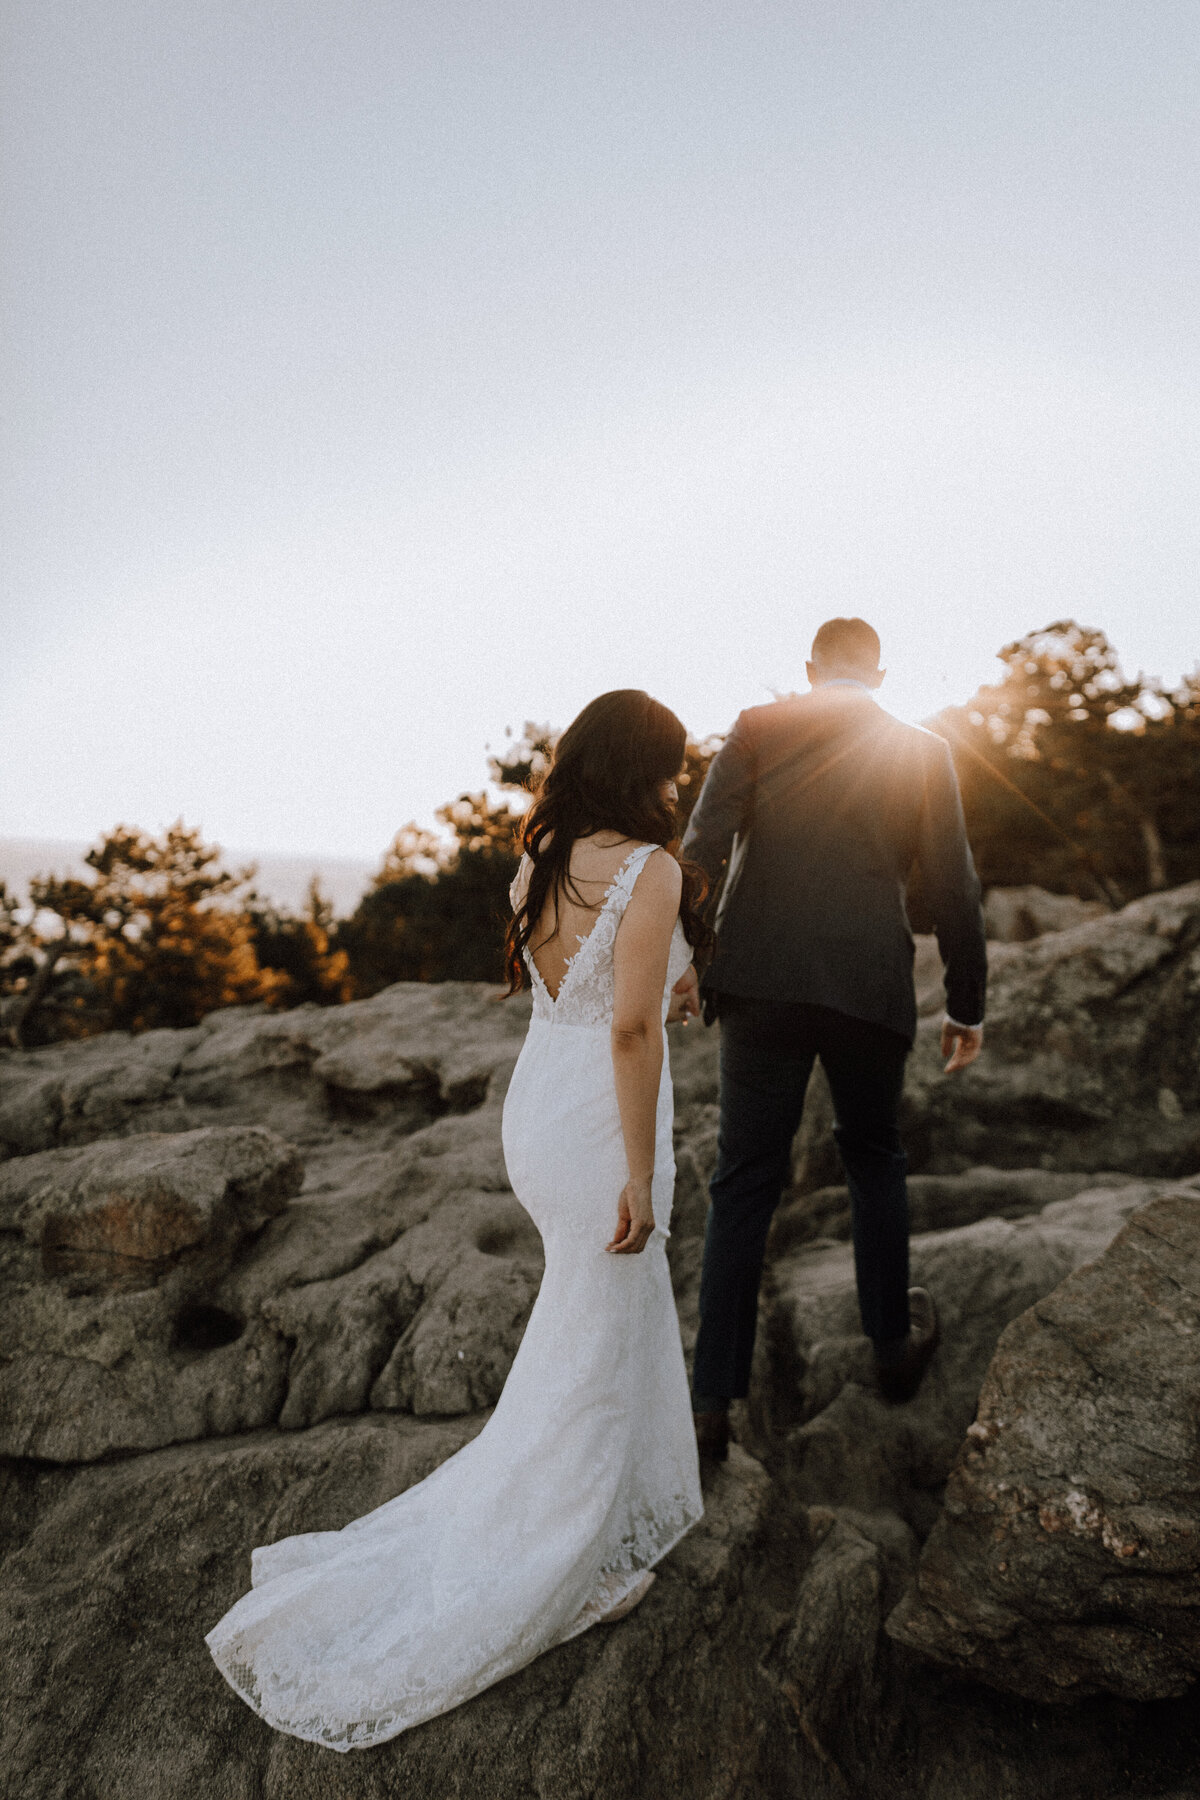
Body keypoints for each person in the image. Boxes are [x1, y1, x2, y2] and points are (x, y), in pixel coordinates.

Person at [205, 689, 707, 1751]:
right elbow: (625, 1028)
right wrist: (638, 1172)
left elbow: (581, 983)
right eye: (669, 767)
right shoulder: (652, 867)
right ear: (642, 767)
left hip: (540, 1109)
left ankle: (588, 1526)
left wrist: (678, 979)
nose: (678, 784)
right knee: (594, 1331)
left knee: (588, 1324)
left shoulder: (542, 860)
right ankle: (559, 1568)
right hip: (597, 1126)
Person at [677, 618, 987, 1460]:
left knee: (743, 1181)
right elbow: (954, 884)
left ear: (810, 671)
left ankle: (711, 1405)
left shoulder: (756, 726)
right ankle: (890, 1350)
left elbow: (700, 849)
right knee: (874, 1157)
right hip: (867, 983)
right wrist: (967, 1003)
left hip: (760, 977)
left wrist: (681, 957)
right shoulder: (922, 749)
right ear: (881, 677)